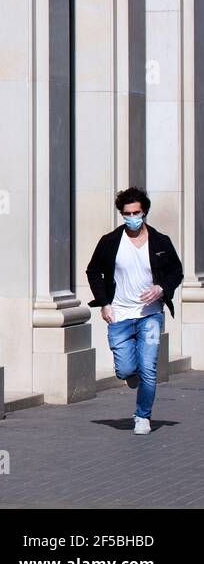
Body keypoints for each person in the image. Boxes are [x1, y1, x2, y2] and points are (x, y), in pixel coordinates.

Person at [85, 186, 184, 435]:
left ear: (145, 212)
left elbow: (176, 272)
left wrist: (161, 288)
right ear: (122, 214)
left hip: (150, 314)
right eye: (127, 214)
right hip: (119, 314)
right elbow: (93, 271)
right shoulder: (110, 242)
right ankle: (133, 376)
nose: (132, 218)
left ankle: (142, 417)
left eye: (136, 212)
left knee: (149, 368)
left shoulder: (160, 242)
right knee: (126, 370)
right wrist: (104, 303)